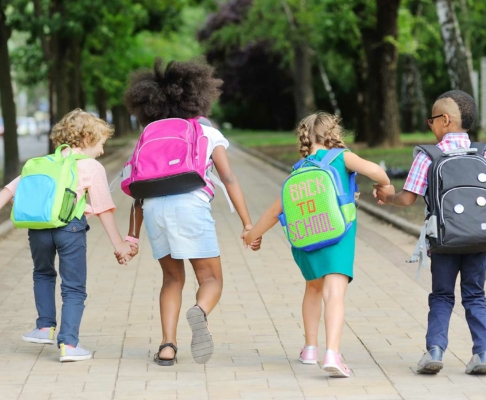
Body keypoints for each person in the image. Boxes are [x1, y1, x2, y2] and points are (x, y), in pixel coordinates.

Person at [117, 57, 260, 366]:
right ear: (199, 96)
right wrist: (248, 223)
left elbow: (137, 189)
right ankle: (200, 312)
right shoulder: (205, 132)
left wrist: (132, 236)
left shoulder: (149, 134)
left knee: (171, 279)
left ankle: (167, 346)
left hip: (155, 210)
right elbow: (228, 177)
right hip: (191, 206)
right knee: (210, 280)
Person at [243, 112, 390, 377]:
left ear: (305, 137)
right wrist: (385, 184)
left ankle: (310, 348)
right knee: (334, 292)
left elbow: (277, 209)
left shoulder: (299, 168)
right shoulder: (342, 157)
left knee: (313, 288)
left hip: (307, 239)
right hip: (338, 236)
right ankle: (332, 353)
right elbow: (375, 170)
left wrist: (253, 234)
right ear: (334, 133)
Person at [374, 90, 486, 375]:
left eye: (431, 121)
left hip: (444, 239)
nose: (431, 126)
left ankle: (435, 351)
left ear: (445, 120)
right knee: (475, 295)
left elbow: (406, 199)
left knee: (441, 296)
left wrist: (387, 196)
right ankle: (484, 353)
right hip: (480, 240)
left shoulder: (429, 156)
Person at [0, 109, 136, 362]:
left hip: (38, 230)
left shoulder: (45, 162)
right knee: (73, 288)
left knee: (42, 274)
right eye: (101, 144)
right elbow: (104, 208)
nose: (102, 151)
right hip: (70, 229)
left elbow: (9, 190)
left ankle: (44, 328)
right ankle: (69, 344)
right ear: (86, 139)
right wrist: (119, 245)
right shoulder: (90, 166)